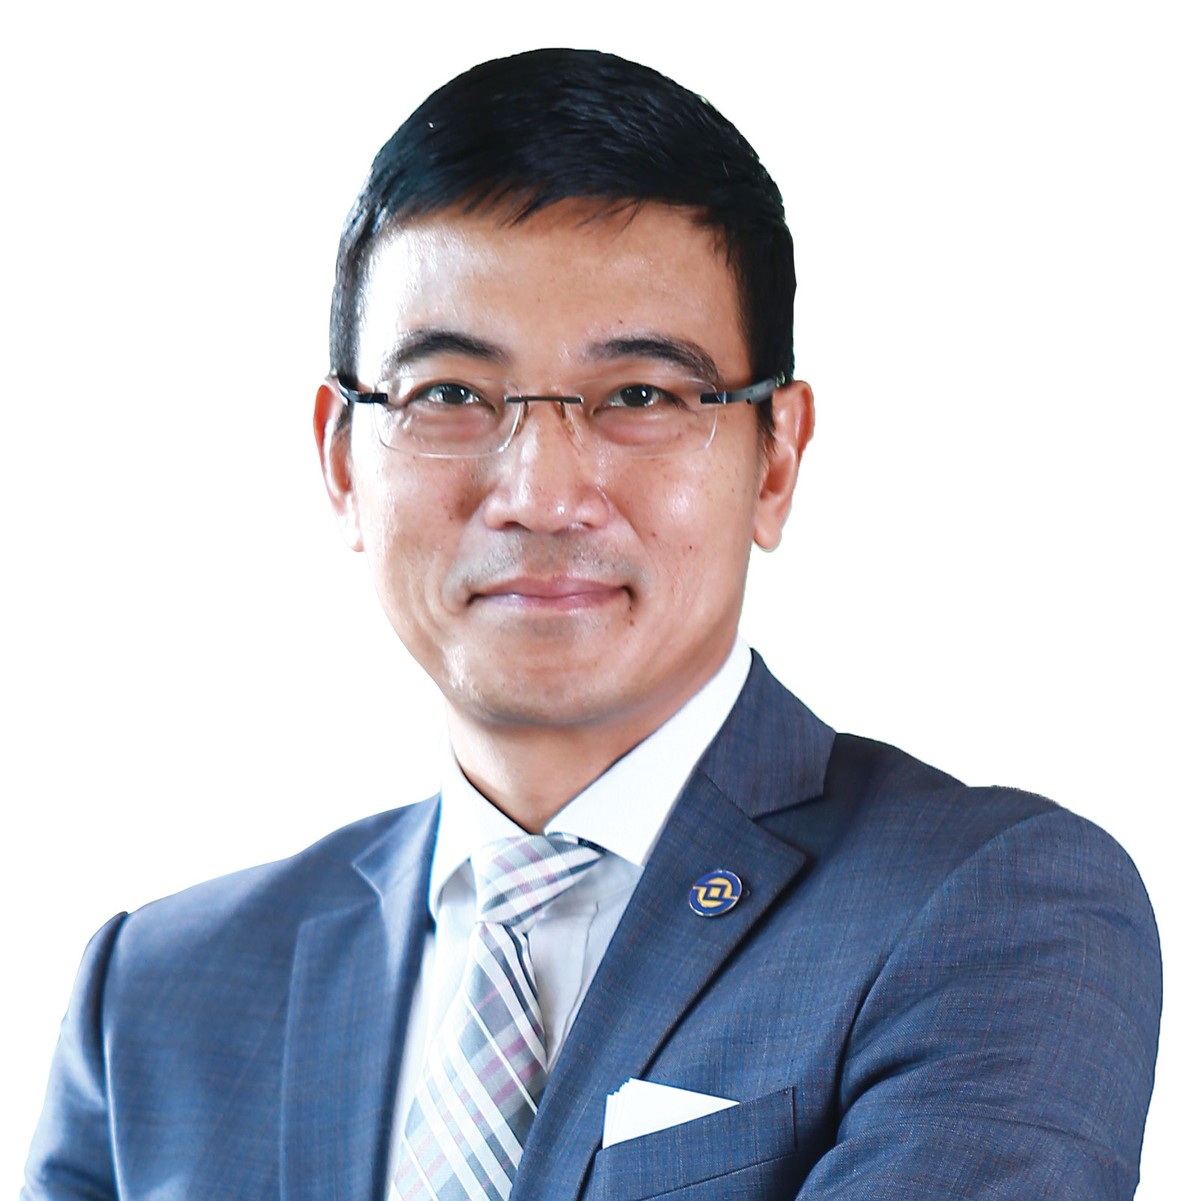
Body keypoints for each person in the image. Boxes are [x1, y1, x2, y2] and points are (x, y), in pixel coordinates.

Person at [24, 47, 1160, 1201]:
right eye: (450, 395)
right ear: (341, 460)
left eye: (640, 397)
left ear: (776, 458)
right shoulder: (157, 996)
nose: (541, 493)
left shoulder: (996, 910)